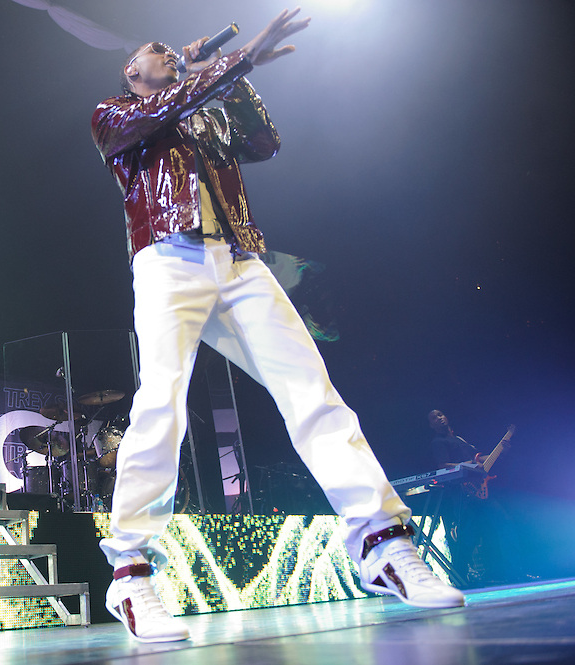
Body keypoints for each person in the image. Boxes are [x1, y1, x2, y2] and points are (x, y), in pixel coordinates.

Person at [90, 8, 464, 642]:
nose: (169, 54)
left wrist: (229, 76)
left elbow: (264, 144)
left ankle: (383, 544)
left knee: (312, 393)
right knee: (162, 404)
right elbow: (159, 112)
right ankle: (131, 573)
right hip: (167, 261)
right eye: (157, 50)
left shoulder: (204, 112)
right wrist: (231, 62)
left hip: (238, 261)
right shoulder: (115, 115)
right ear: (132, 71)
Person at [427, 409, 518, 586]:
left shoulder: (460, 440)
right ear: (431, 425)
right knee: (468, 537)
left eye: (440, 415)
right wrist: (469, 464)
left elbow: (480, 459)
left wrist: (501, 451)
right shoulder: (438, 442)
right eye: (434, 418)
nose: (439, 418)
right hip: (464, 494)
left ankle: (514, 573)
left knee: (502, 525)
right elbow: (443, 465)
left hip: (481, 491)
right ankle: (458, 579)